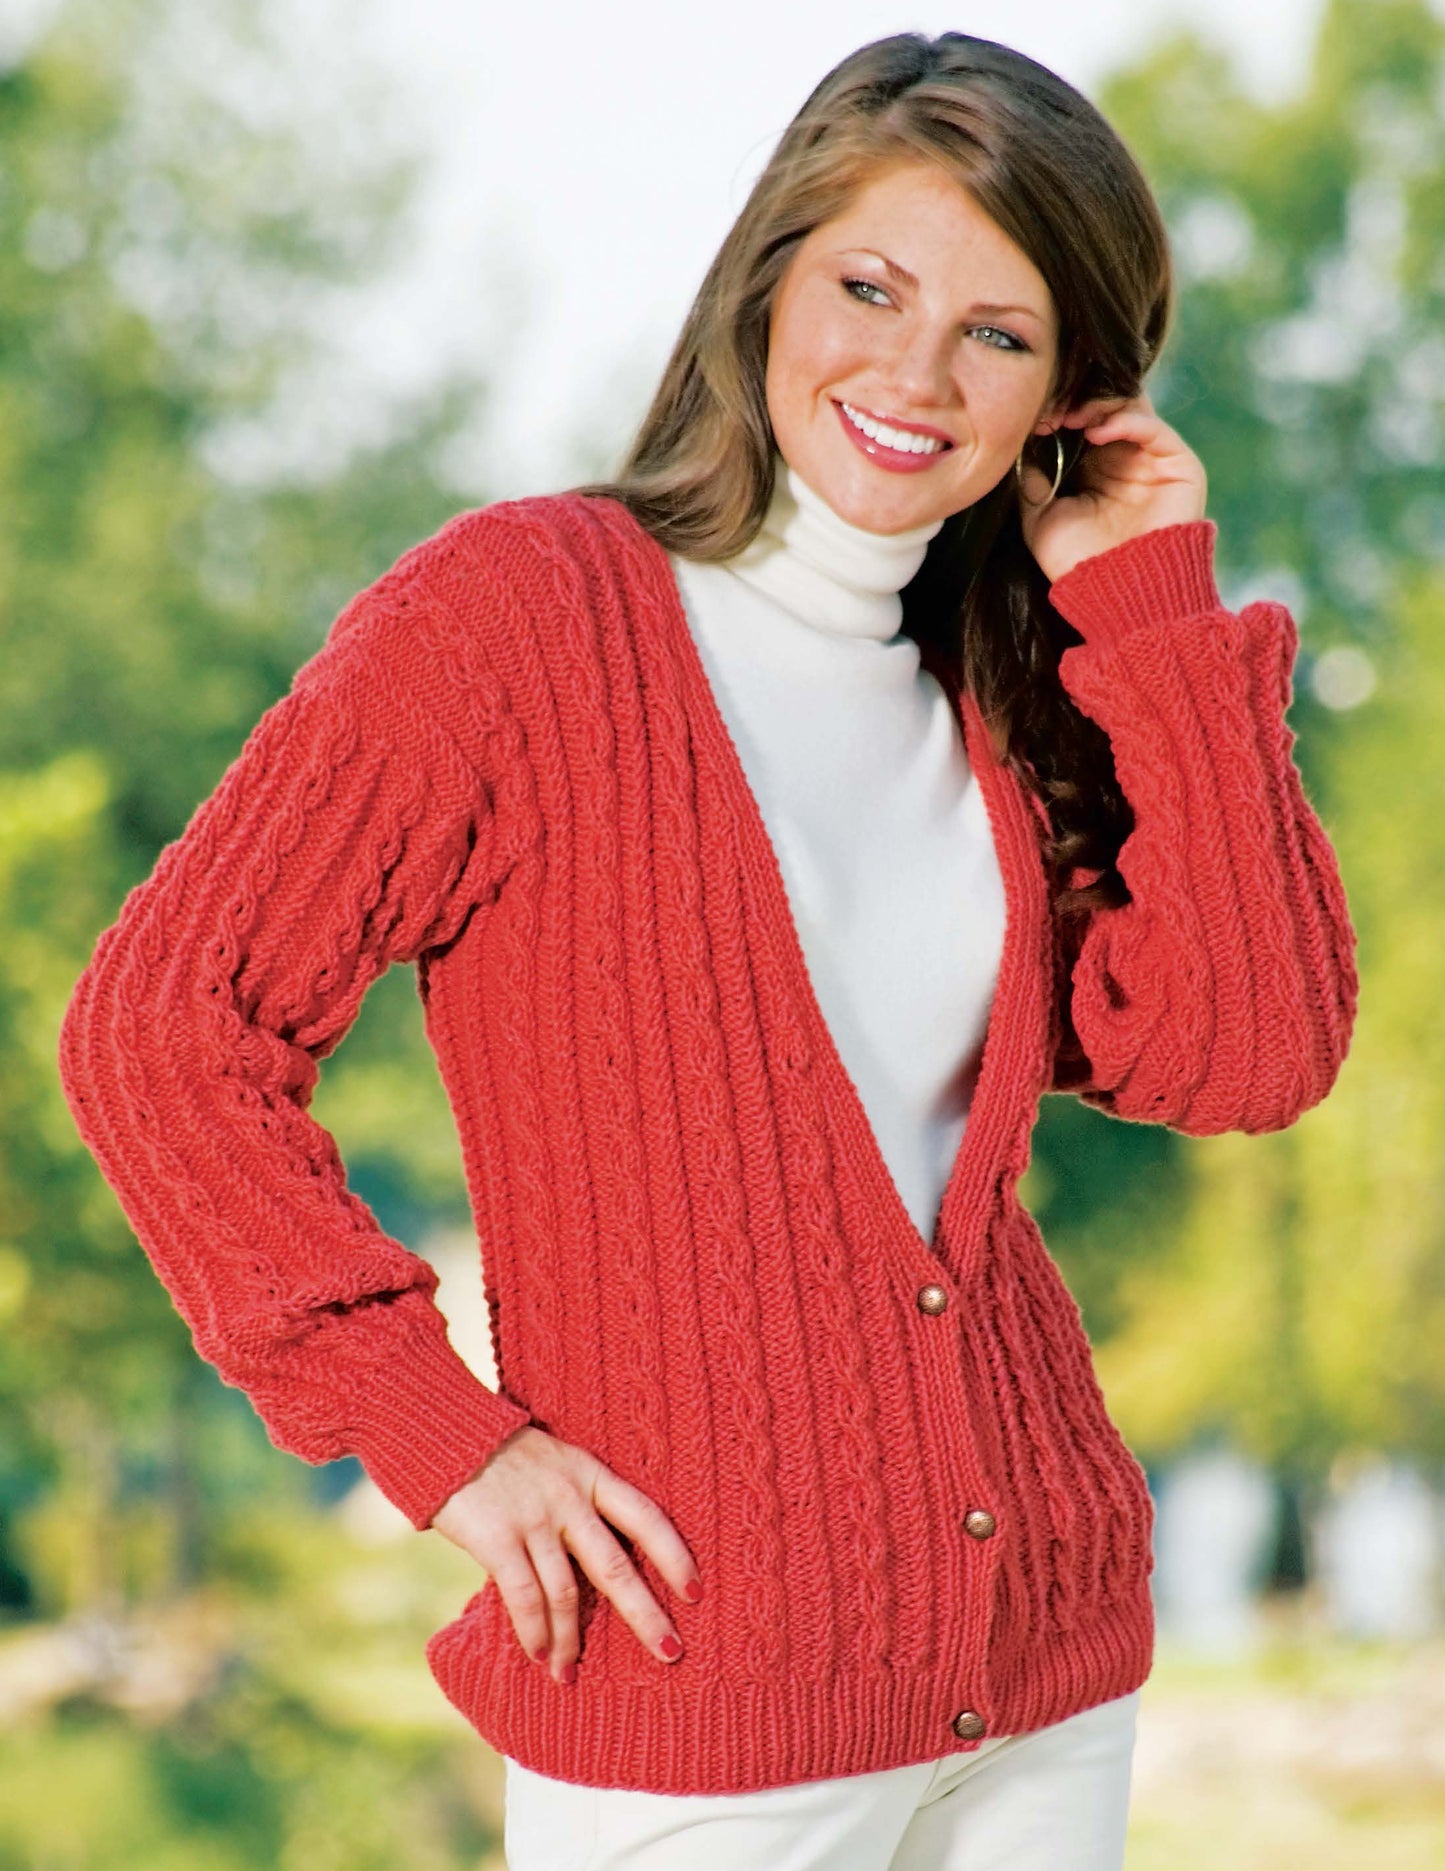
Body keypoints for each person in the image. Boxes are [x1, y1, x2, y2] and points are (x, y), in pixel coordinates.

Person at [56, 29, 1358, 1871]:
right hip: (702, 1693)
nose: (914, 372)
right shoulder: (517, 622)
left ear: (1066, 391)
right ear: (767, 277)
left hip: (1041, 1679)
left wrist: (1150, 610)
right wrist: (437, 1432)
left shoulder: (997, 680)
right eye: (870, 286)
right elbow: (161, 1030)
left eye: (997, 333)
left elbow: (1245, 1053)